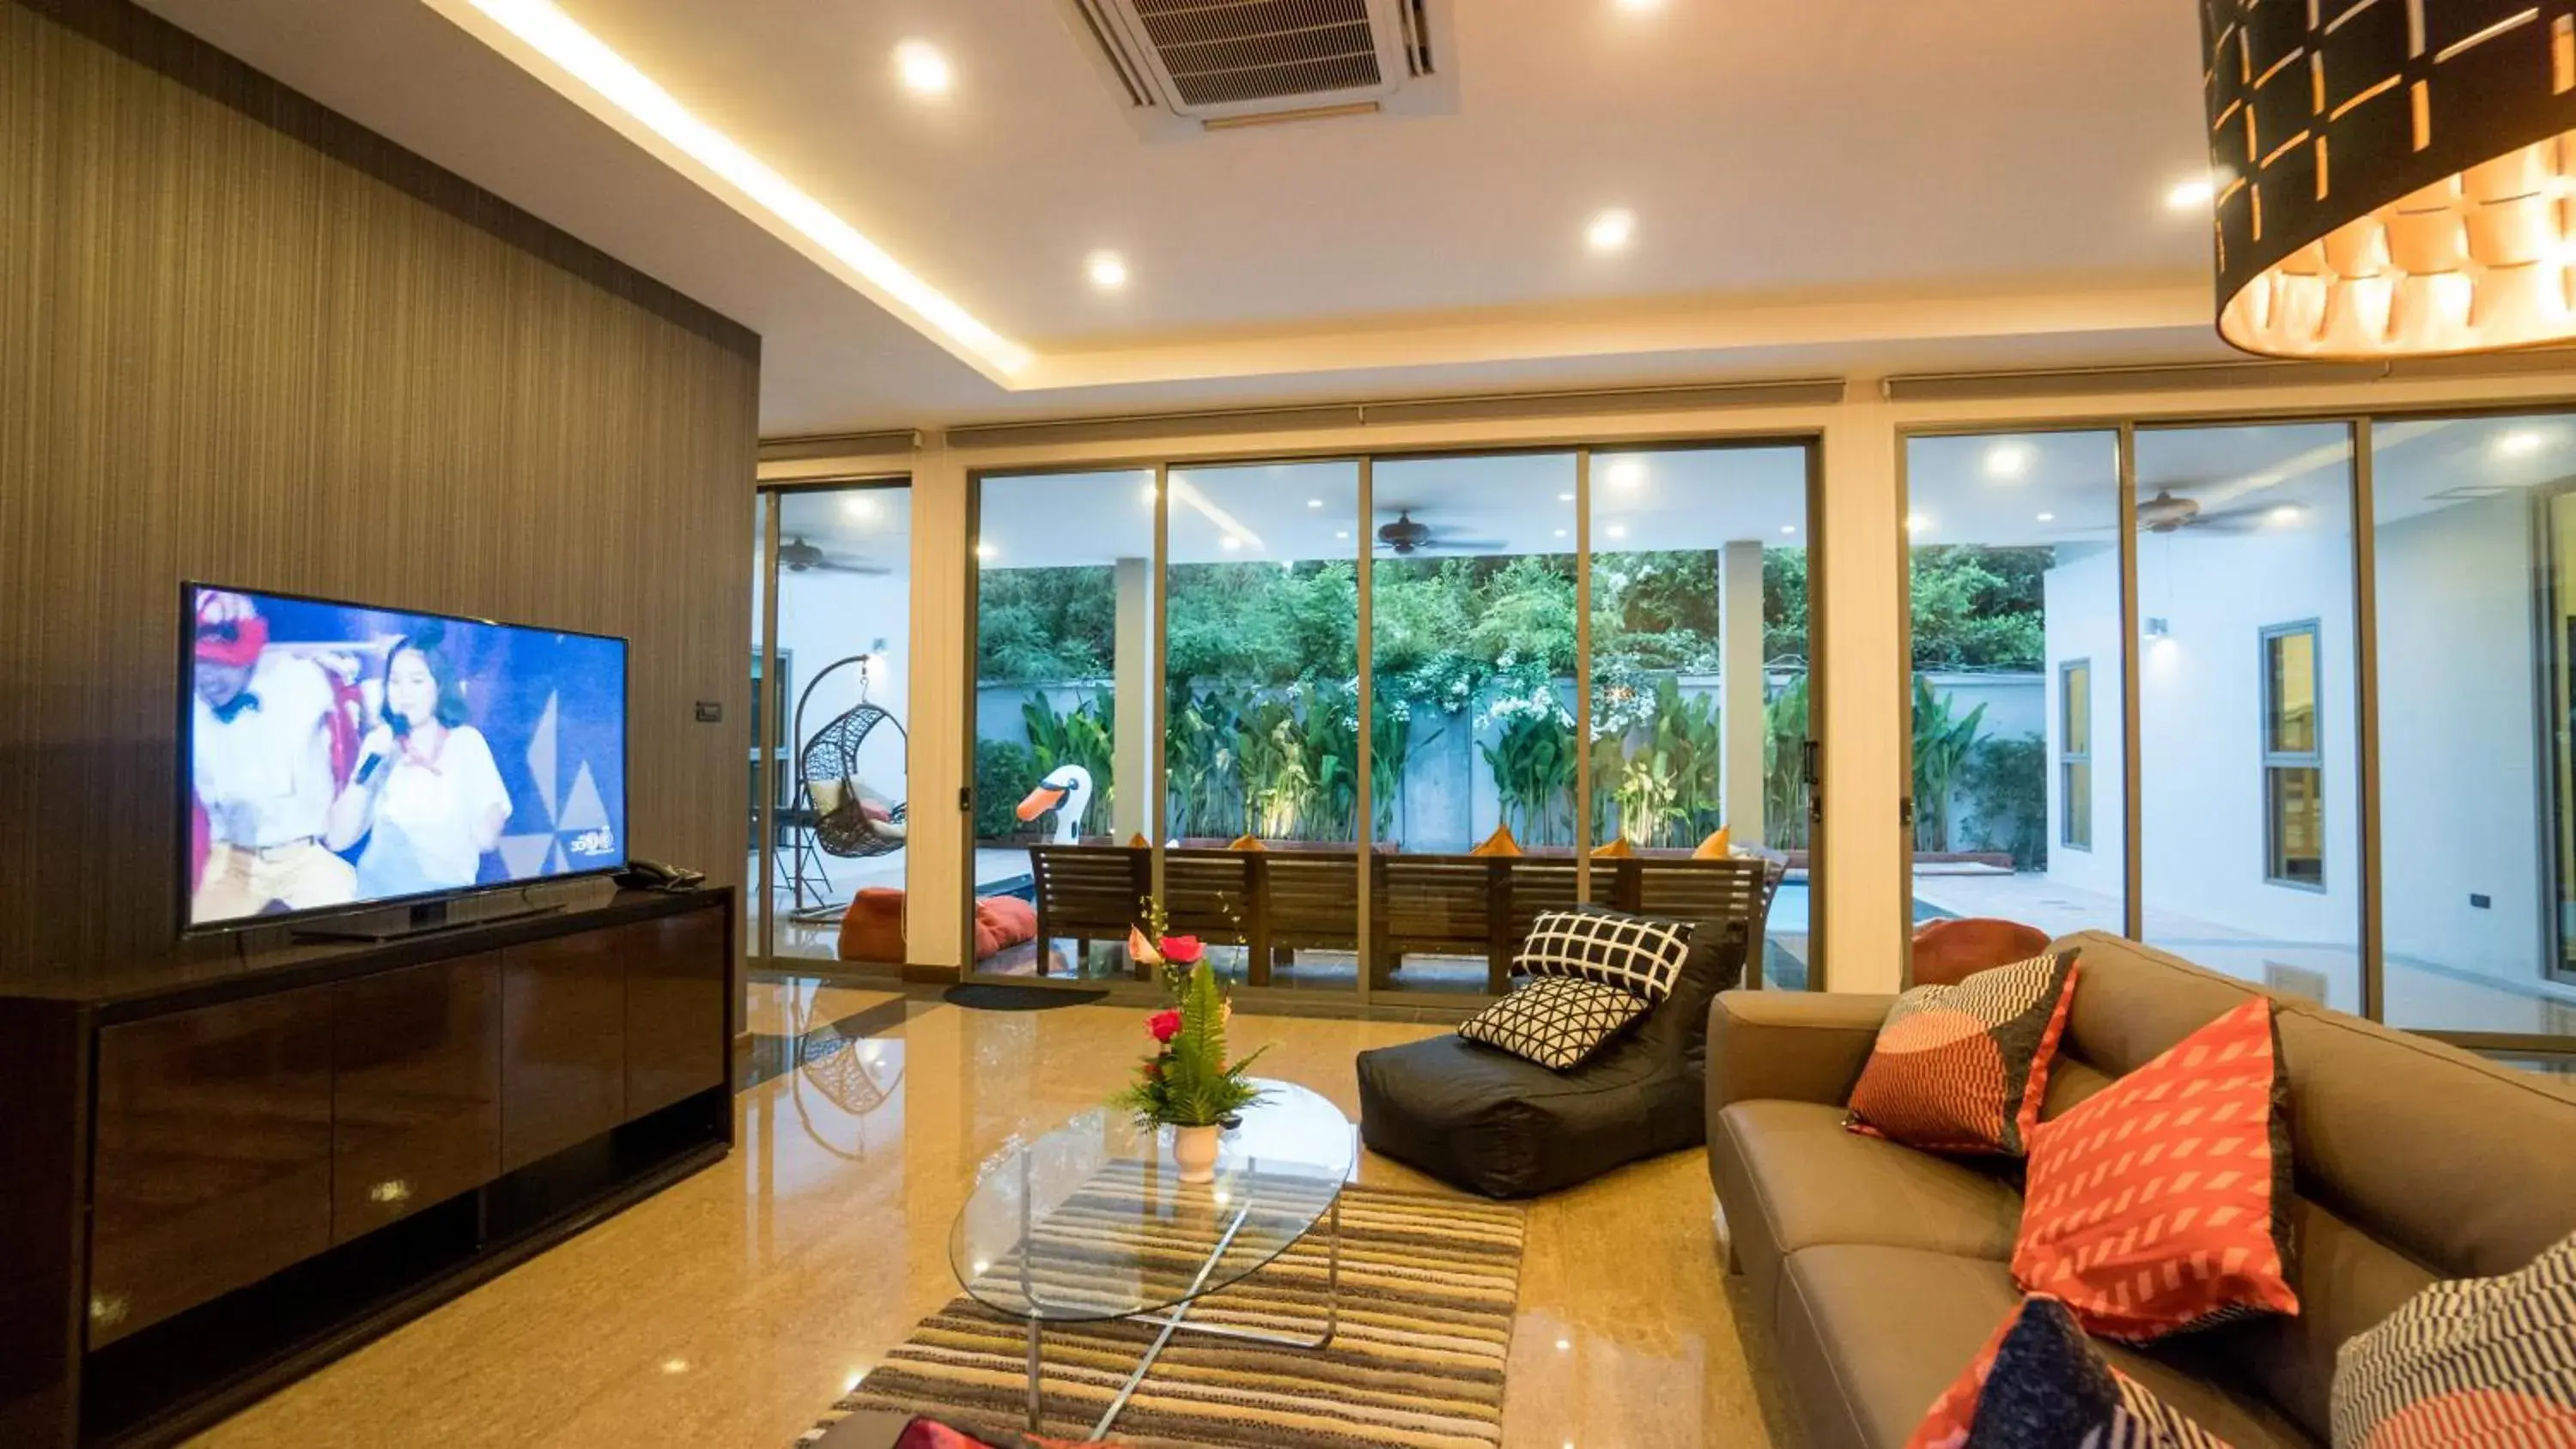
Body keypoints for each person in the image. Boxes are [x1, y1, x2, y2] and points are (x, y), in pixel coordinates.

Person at [191, 591, 361, 922]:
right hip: (234, 864)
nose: (208, 678)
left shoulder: (302, 682)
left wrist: (343, 669)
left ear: (248, 656)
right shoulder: (188, 712)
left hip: (305, 860)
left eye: (220, 662)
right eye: (200, 663)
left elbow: (351, 673)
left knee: (351, 929)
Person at [325, 625, 512, 898]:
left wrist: (487, 818)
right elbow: (337, 838)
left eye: (416, 681)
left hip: (449, 904)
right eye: (395, 681)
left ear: (439, 686)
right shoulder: (381, 745)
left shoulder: (466, 742)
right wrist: (370, 766)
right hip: (379, 905)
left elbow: (487, 836)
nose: (404, 693)